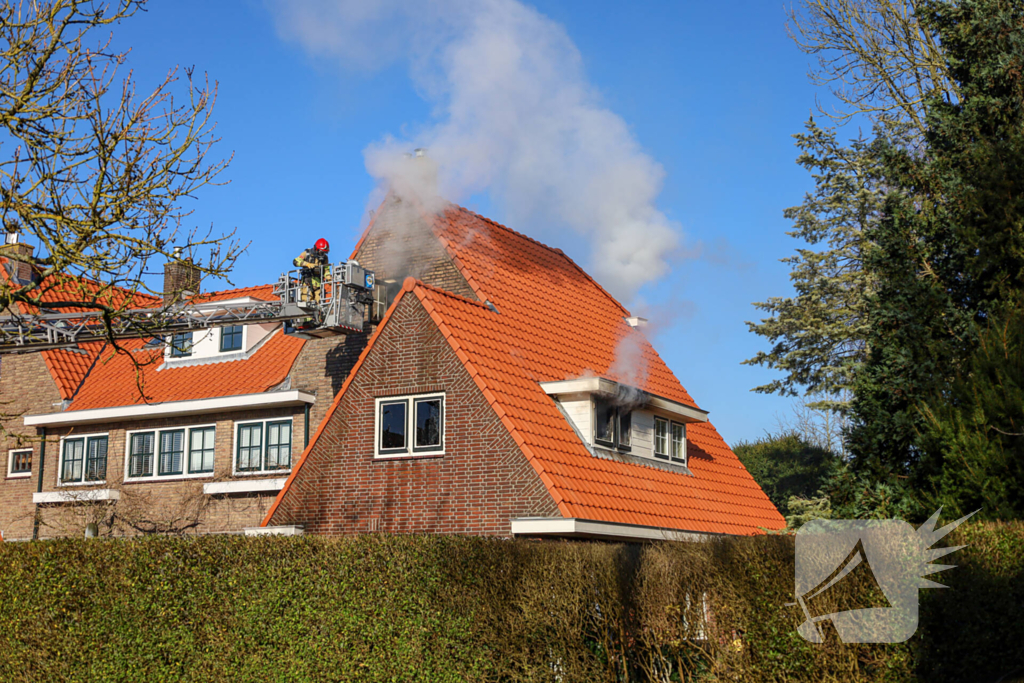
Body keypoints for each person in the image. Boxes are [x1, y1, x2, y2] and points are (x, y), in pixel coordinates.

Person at [293, 238, 330, 304]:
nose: (322, 255)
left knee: (320, 304)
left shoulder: (325, 258)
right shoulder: (307, 254)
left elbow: (326, 269)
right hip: (307, 283)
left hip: (318, 284)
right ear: (317, 249)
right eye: (322, 252)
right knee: (307, 302)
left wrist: (329, 277)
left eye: (324, 253)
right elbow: (295, 261)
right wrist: (307, 264)